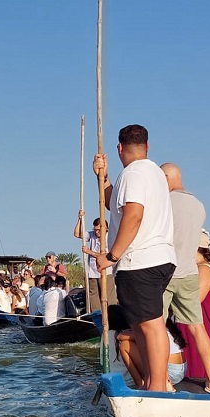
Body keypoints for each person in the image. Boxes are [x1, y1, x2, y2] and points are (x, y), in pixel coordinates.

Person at [88, 124, 177, 393]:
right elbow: (112, 202)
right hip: (155, 258)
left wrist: (112, 255)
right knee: (140, 325)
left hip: (141, 260)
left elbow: (133, 215)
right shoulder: (153, 174)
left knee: (150, 325)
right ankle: (153, 381)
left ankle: (159, 387)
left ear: (119, 148)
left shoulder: (133, 173)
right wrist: (101, 176)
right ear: (147, 146)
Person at [161, 164, 210, 393]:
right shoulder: (198, 205)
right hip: (188, 271)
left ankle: (164, 380)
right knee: (198, 327)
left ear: (167, 178)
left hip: (167, 272)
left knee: (156, 325)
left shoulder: (166, 202)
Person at [176, 230, 210, 389]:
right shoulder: (196, 269)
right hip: (194, 325)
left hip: (203, 327)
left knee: (197, 369)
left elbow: (193, 300)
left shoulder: (204, 269)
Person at [116, 319, 188, 390]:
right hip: (181, 371)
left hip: (169, 372)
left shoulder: (151, 328)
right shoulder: (166, 328)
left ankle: (139, 383)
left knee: (125, 345)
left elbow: (120, 337)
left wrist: (129, 331)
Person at [74, 212, 113, 312]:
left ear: (105, 228)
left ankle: (112, 319)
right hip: (92, 272)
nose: (96, 232)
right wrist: (80, 219)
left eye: (99, 230)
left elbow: (107, 256)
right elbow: (77, 234)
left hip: (106, 272)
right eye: (95, 230)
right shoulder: (92, 235)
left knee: (109, 297)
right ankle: (98, 319)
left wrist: (89, 252)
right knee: (94, 297)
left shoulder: (110, 237)